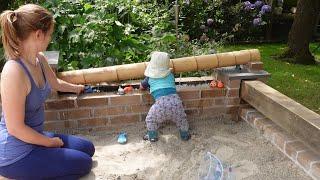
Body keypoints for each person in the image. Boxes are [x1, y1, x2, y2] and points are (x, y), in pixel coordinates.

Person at [0, 4, 94, 179]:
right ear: (38, 34)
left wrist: (76, 88)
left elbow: (54, 82)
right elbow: (15, 128)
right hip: (15, 154)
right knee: (83, 164)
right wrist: (49, 143)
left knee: (87, 149)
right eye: (50, 34)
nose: (50, 38)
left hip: (35, 138)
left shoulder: (39, 59)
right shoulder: (13, 71)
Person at [140, 51, 191, 142]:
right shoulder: (170, 75)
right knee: (182, 119)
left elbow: (142, 87)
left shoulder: (149, 78)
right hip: (176, 102)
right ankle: (185, 135)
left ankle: (152, 136)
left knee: (150, 119)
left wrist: (146, 86)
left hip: (160, 104)